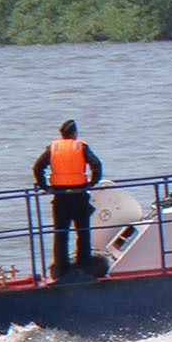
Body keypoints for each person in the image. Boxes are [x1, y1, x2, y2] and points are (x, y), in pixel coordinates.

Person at [31, 119, 103, 279]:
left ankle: (61, 270)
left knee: (61, 234)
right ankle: (83, 268)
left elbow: (37, 168)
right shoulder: (81, 146)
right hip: (79, 195)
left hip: (60, 197)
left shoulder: (53, 148)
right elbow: (96, 165)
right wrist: (92, 183)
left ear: (62, 134)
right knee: (83, 233)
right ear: (74, 133)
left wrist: (45, 187)